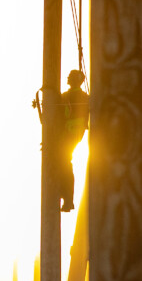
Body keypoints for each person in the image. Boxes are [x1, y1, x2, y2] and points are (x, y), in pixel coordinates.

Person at [59, 69, 90, 212]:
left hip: (68, 133)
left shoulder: (67, 96)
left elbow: (60, 116)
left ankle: (67, 198)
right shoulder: (85, 97)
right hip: (75, 134)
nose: (67, 78)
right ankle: (67, 198)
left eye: (70, 77)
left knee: (63, 162)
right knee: (64, 161)